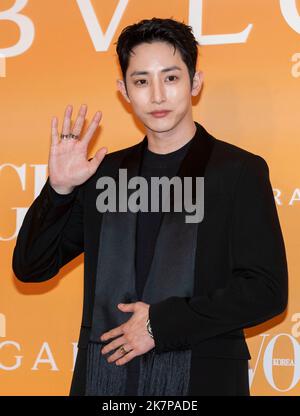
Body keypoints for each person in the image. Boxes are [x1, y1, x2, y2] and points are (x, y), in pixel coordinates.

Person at [12, 17, 288, 396]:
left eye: (171, 78)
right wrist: (59, 189)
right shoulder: (105, 174)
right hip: (105, 382)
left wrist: (161, 324)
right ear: (123, 91)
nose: (157, 95)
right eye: (141, 81)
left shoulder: (236, 172)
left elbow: (267, 290)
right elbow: (31, 267)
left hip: (201, 379)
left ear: (195, 83)